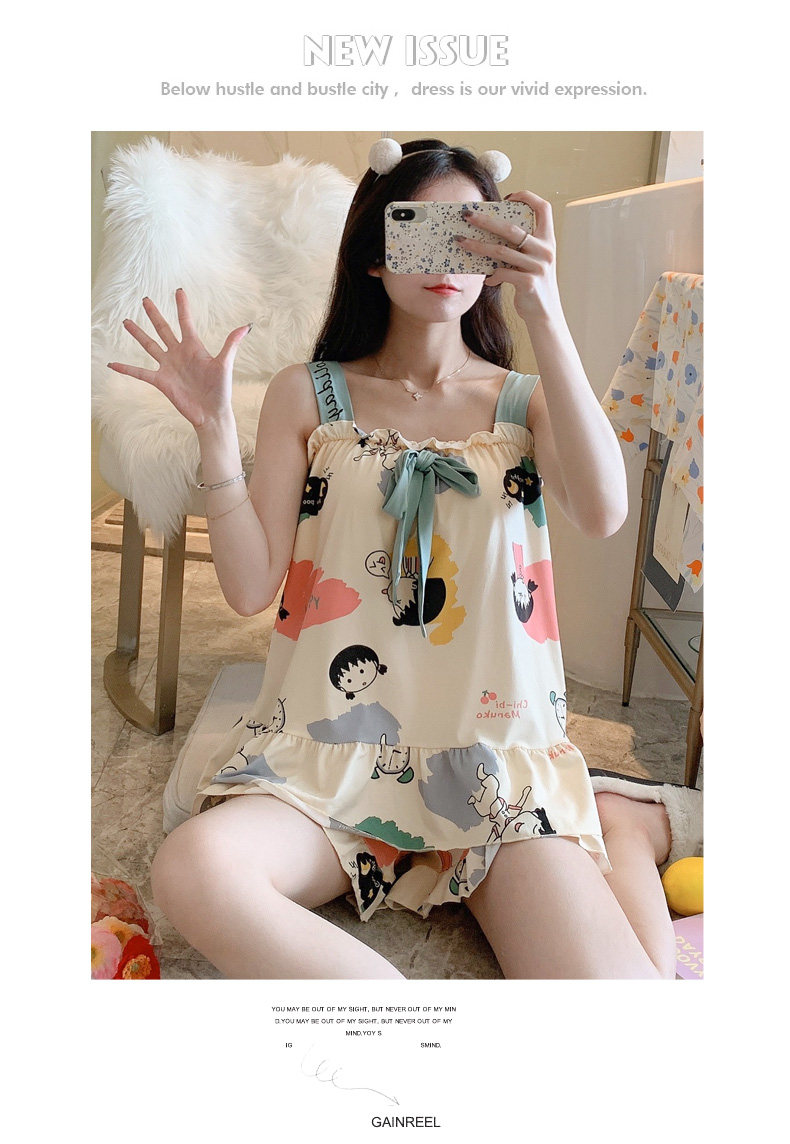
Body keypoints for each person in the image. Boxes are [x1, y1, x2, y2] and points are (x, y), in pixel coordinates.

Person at [108, 138, 701, 979]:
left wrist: (545, 310)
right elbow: (248, 587)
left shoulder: (524, 405)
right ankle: (393, 1027)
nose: (446, 257)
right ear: (374, 255)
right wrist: (213, 431)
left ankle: (623, 828)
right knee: (193, 870)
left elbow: (605, 513)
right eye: (418, 230)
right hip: (328, 758)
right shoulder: (309, 394)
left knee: (620, 1001)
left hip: (493, 762)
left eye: (471, 233)